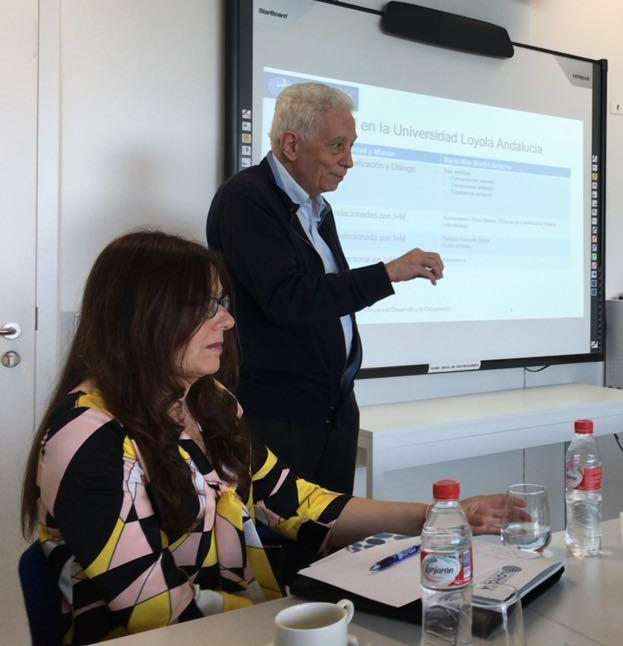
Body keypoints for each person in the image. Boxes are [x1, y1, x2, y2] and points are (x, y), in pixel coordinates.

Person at [20, 231, 504, 644]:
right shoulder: (88, 439)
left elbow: (296, 502)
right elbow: (158, 615)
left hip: (244, 625)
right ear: (145, 317)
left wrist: (436, 517)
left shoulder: (209, 404)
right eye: (207, 307)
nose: (228, 321)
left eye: (223, 303)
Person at [206, 82, 443, 495]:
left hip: (331, 411)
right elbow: (289, 299)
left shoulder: (316, 207)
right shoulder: (246, 199)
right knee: (284, 548)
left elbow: (325, 300)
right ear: (292, 144)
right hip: (278, 415)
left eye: (351, 146)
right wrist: (387, 273)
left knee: (332, 542)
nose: (348, 161)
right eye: (337, 146)